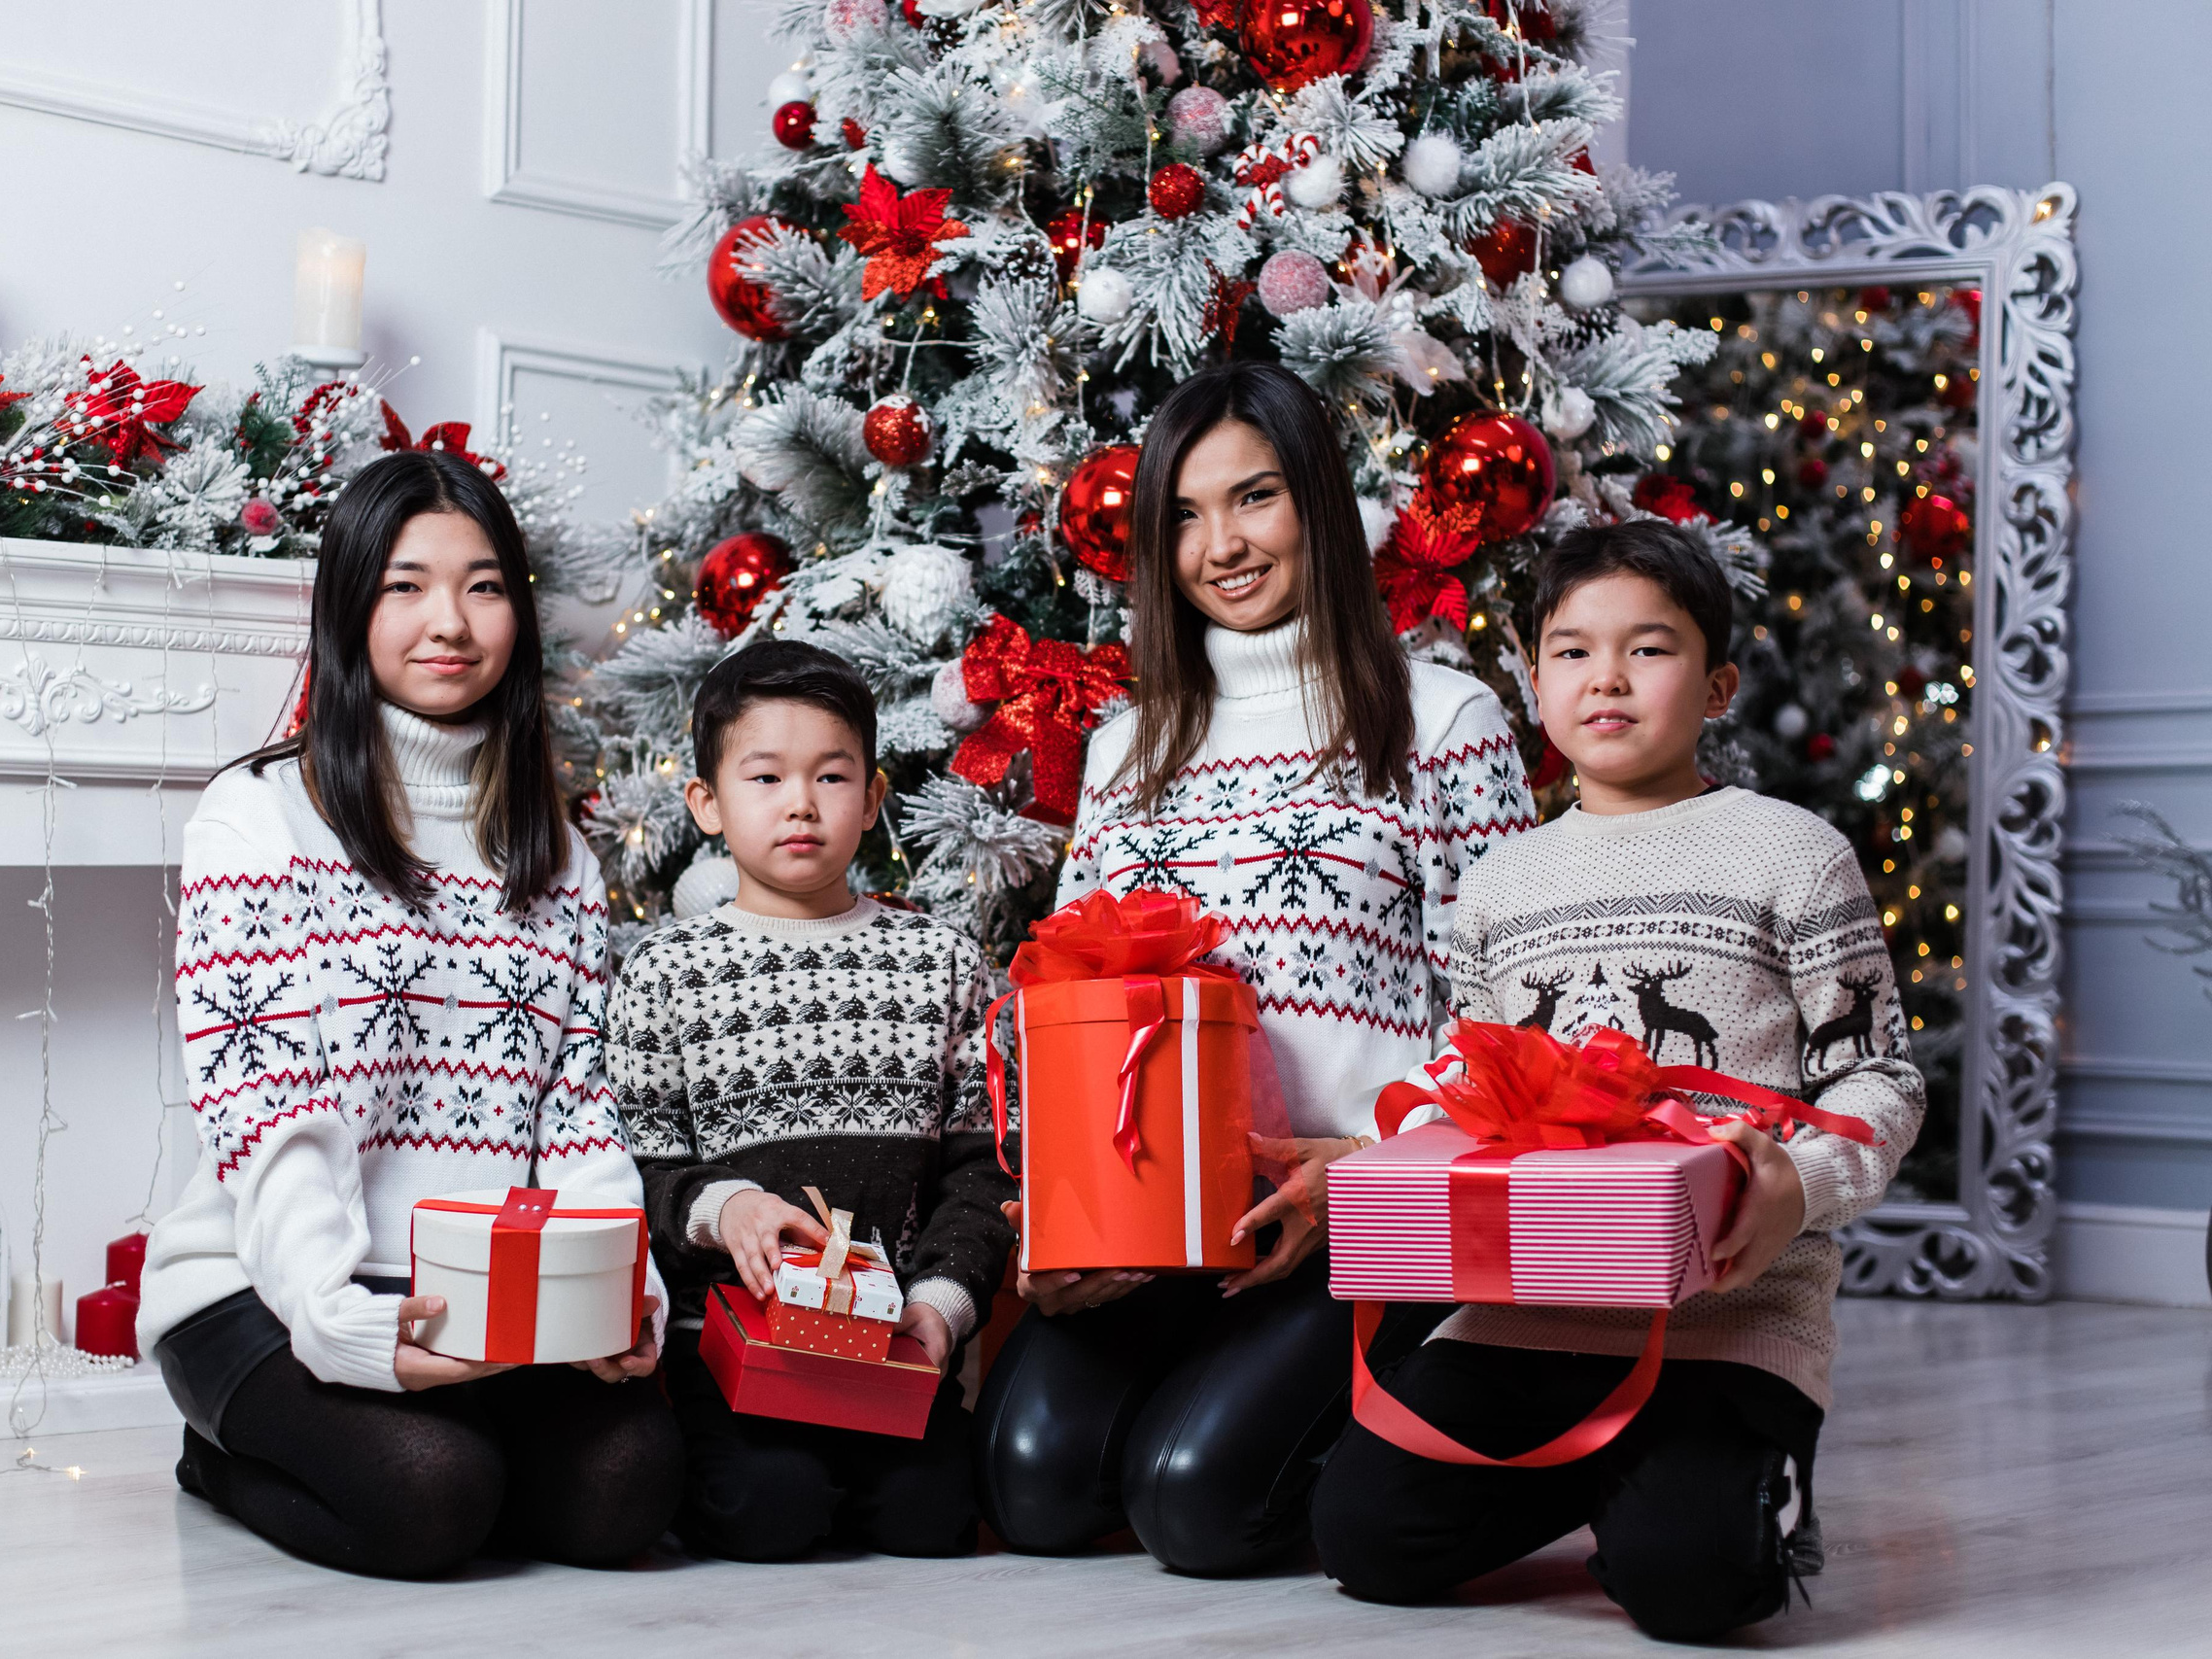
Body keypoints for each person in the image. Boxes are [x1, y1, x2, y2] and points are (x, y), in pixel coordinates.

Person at [1310, 519, 1926, 1641]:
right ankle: (1606, 1478)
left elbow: (1878, 1075)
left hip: (1727, 1312)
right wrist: (1387, 1152)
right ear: (1533, 678)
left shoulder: (1791, 853)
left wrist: (1794, 1183)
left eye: (1648, 649)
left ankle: (1721, 1488)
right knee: (1364, 1538)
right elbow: (1471, 1067)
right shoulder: (1501, 881)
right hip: (1526, 1315)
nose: (1606, 678)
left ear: (1718, 681)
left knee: (1696, 1591)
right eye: (1571, 650)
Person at [973, 362, 1536, 1574]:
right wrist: (1069, 1222)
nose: (1219, 543)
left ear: (1316, 508)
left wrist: (1375, 1172)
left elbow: (1507, 1017)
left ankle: (1379, 1407)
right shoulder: (1131, 743)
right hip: (1159, 1215)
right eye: (1182, 513)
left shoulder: (1440, 721)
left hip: (1349, 1214)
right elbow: (1071, 998)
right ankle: (1200, 1398)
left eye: (1254, 498)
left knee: (1195, 1507)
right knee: (1033, 1490)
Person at [136, 451, 682, 1578]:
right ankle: (219, 1455)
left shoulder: (558, 854)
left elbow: (578, 1114)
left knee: (627, 1497)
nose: (451, 621)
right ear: (350, 604)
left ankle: (453, 1443)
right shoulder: (259, 816)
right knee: (433, 1496)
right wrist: (339, 1323)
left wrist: (619, 1288)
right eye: (405, 584)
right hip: (263, 1282)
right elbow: (267, 1104)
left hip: (484, 1296)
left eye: (484, 586)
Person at [608, 639, 1017, 1562]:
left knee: (934, 1522)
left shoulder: (939, 962)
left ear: (872, 800)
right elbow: (641, 1165)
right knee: (771, 1510)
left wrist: (945, 1302)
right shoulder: (666, 972)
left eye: (831, 776)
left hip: (890, 1348)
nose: (801, 802)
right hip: (736, 1351)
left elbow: (987, 1166)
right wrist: (726, 1207)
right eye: (766, 777)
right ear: (707, 805)